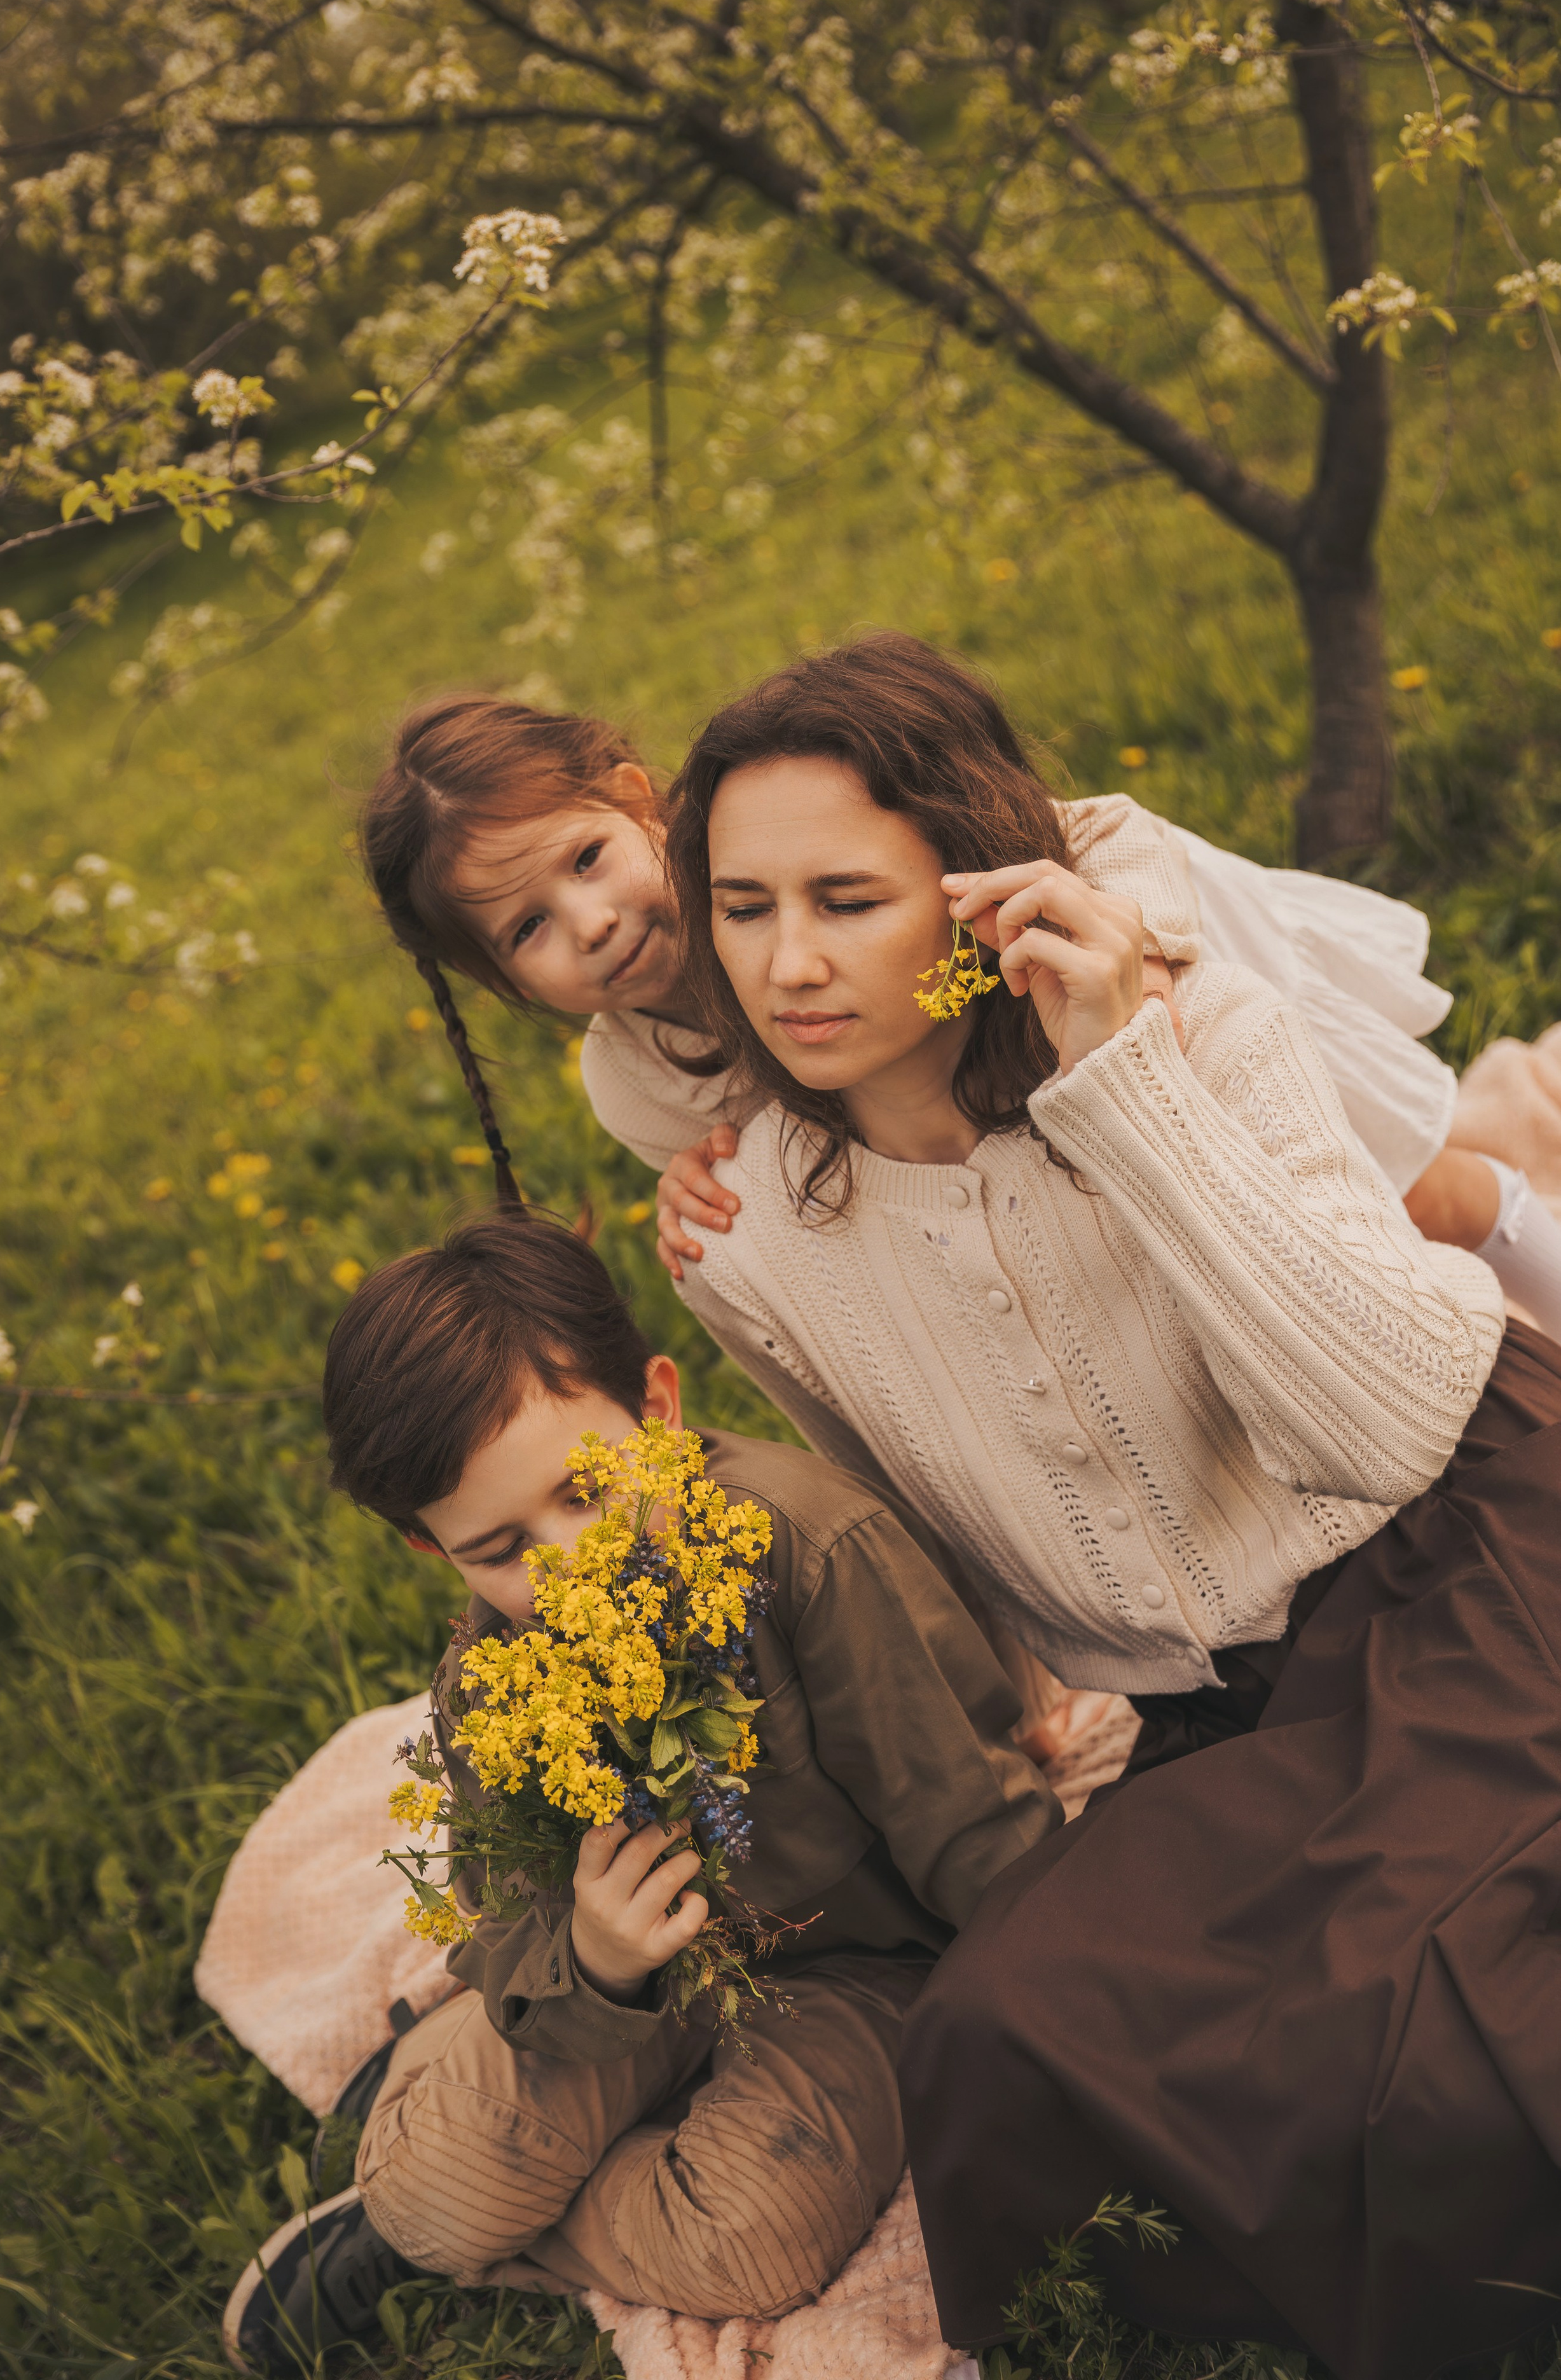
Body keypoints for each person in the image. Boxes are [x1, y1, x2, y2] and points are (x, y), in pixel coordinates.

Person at [623, 632, 1561, 2376]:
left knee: (1432, 2026)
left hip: (1473, 1544)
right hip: (1220, 1708)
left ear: (976, 894)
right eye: (742, 909)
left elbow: (1377, 1428)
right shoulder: (745, 1237)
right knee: (1000, 2037)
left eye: (846, 899)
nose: (788, 964)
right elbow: (920, 1520)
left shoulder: (1192, 1029)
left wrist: (1124, 1087)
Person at [221, 1208, 1057, 2374]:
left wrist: (1057, 2030)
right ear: (432, 1549)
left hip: (859, 1968)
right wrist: (601, 1961)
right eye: (500, 1550)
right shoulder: (494, 1680)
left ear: (657, 1412)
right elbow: (509, 1920)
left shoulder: (808, 1552)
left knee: (745, 2241)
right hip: (639, 1987)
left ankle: (477, 2206)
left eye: (585, 1493)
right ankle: (434, 2188)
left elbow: (972, 1824)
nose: (567, 1564)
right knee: (423, 2192)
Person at [358, 675, 1561, 1339]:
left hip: (1135, 994)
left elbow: (1099, 832)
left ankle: (1525, 1236)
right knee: (1212, 1279)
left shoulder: (777, 829)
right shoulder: (634, 1079)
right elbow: (771, 1158)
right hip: (999, 1124)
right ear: (502, 983)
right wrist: (701, 1184)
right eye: (527, 931)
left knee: (1390, 1185)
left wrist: (1144, 957)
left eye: (584, 861)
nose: (590, 923)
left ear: (635, 798)